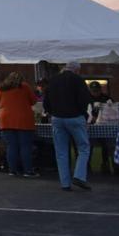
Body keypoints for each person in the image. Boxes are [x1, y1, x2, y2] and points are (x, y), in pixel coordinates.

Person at [43, 61, 93, 191]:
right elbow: (85, 99)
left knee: (61, 151)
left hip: (57, 118)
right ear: (76, 70)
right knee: (83, 147)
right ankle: (79, 176)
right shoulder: (78, 80)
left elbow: (46, 101)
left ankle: (65, 183)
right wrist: (84, 114)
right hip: (75, 117)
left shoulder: (53, 80)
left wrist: (51, 112)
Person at [0, 71, 37, 178]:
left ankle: (12, 170)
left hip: (6, 119)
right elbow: (33, 101)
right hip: (24, 119)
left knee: (11, 146)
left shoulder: (1, 88)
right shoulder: (25, 87)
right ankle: (28, 171)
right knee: (25, 146)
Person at [86, 81, 115, 175]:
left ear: (100, 90)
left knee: (107, 143)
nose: (95, 93)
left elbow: (113, 111)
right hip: (90, 127)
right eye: (93, 91)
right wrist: (91, 118)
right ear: (90, 90)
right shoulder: (85, 98)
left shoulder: (106, 98)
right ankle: (87, 165)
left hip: (104, 126)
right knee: (87, 144)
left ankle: (106, 164)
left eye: (97, 90)